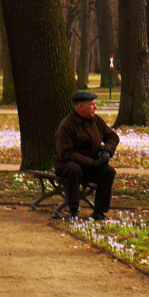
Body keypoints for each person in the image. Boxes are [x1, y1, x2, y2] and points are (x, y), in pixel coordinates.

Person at [55, 90, 119, 220]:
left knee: (108, 171)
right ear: (81, 107)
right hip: (68, 165)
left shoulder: (96, 121)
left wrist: (107, 151)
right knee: (74, 170)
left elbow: (112, 136)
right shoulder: (67, 126)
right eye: (92, 105)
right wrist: (91, 163)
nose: (95, 108)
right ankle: (73, 209)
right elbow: (66, 153)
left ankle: (100, 211)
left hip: (91, 165)